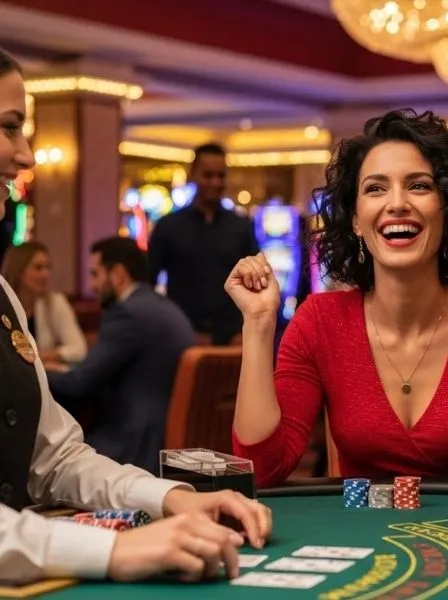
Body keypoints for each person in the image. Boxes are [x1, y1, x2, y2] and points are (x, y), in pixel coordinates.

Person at [0, 47, 270, 585]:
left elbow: (55, 460)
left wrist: (172, 497)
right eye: (9, 128)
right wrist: (112, 549)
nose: (26, 156)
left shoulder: (4, 295)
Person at [228, 109, 448, 488]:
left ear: (447, 208)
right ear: (355, 219)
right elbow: (262, 468)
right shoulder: (319, 320)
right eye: (375, 189)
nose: (397, 203)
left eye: (418, 186)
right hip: (361, 524)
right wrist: (258, 324)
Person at [47, 237, 198, 474]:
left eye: (95, 274)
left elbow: (81, 383)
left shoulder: (128, 313)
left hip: (131, 445)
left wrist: (35, 371)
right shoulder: (164, 306)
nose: (92, 285)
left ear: (118, 274)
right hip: (168, 441)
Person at [147, 143, 261, 345]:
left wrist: (247, 330)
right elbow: (148, 283)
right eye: (208, 175)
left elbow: (255, 281)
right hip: (181, 337)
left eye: (221, 175)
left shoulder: (241, 226)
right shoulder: (168, 226)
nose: (215, 182)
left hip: (233, 338)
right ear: (193, 175)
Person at [1, 241, 87, 367]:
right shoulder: (3, 305)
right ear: (18, 270)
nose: (45, 274)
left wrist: (40, 357)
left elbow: (79, 350)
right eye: (38, 268)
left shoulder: (55, 302)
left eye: (48, 267)